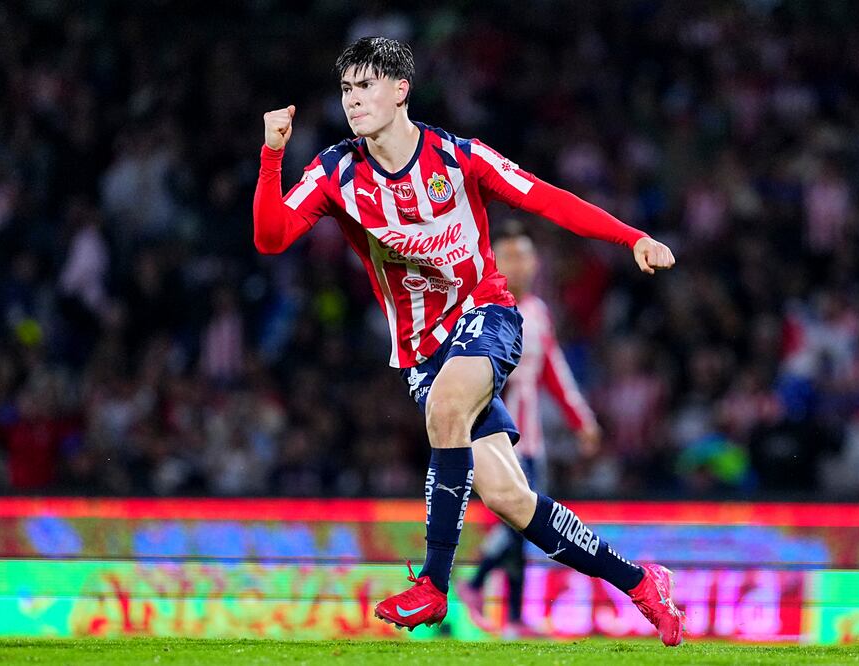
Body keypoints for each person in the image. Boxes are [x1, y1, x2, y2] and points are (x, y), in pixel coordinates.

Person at [253, 37, 684, 646]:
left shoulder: (456, 158)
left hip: (486, 314)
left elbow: (545, 198)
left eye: (367, 85)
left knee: (446, 407)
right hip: (422, 349)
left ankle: (433, 582)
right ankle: (642, 582)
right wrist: (272, 156)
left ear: (401, 91)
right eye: (346, 89)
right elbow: (271, 238)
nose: (354, 101)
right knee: (510, 497)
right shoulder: (335, 173)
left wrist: (630, 237)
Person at [456, 221, 602, 639]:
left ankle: (512, 616)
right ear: (493, 261)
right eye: (509, 257)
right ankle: (478, 583)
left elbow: (554, 373)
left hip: (531, 439)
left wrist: (582, 421)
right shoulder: (479, 312)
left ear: (536, 263)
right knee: (522, 523)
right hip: (495, 436)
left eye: (524, 257)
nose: (518, 266)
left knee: (521, 529)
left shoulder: (537, 313)